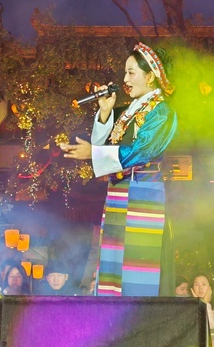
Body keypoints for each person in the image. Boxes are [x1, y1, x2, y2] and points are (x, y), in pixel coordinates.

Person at [60, 42, 178, 297]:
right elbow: (105, 145)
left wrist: (93, 153)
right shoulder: (128, 111)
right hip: (119, 190)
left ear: (150, 76)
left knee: (139, 267)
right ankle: (113, 313)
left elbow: (141, 151)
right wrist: (105, 112)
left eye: (131, 72)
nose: (125, 79)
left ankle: (140, 316)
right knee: (113, 264)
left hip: (144, 191)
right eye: (125, 72)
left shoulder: (162, 112)